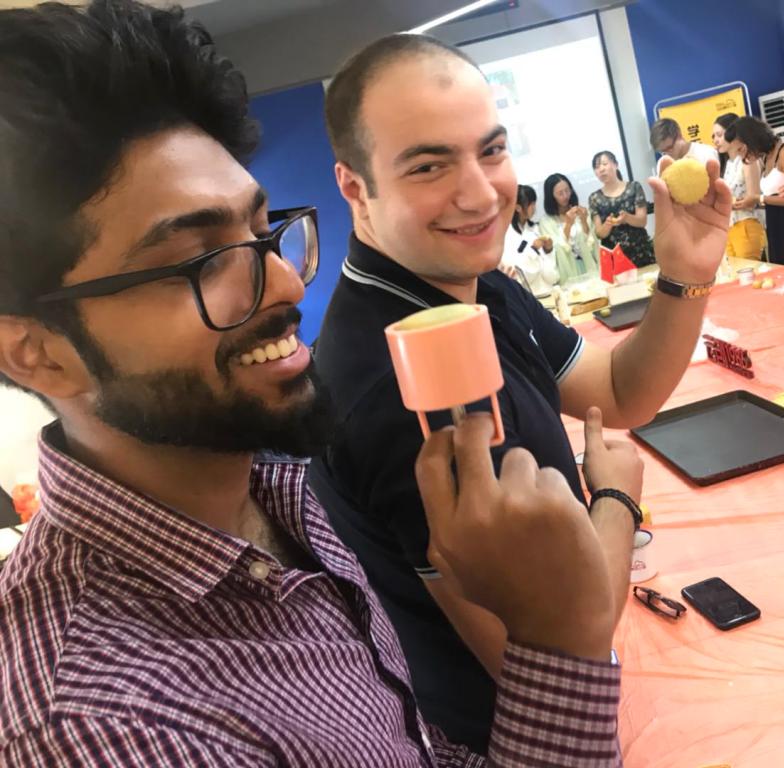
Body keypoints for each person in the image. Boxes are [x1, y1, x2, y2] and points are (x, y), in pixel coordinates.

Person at [0, 2, 642, 765]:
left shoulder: (278, 493)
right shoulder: (101, 728)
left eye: (261, 232)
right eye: (200, 261)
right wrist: (560, 633)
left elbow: (405, 744)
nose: (286, 285)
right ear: (37, 353)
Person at [315, 34, 731, 751]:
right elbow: (548, 658)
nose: (481, 194)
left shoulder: (469, 283)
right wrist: (616, 501)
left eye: (492, 150)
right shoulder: (397, 384)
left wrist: (684, 276)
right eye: (428, 166)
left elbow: (618, 392)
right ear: (355, 187)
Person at [726, 116, 784, 268]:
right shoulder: (765, 158)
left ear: (752, 139)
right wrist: (754, 201)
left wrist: (759, 199)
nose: (742, 156)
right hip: (775, 224)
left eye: (741, 149)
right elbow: (770, 198)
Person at [711, 113, 766, 260]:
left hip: (747, 223)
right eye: (713, 136)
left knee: (749, 269)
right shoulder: (728, 164)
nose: (716, 140)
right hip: (730, 225)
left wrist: (722, 204)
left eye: (720, 135)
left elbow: (753, 198)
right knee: (735, 270)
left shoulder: (748, 160)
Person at [588, 150, 655, 268]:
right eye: (597, 167)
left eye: (604, 164)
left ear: (616, 165)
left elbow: (642, 221)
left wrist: (627, 218)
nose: (601, 169)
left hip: (639, 250)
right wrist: (607, 224)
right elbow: (599, 233)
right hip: (615, 256)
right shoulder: (594, 198)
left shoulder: (634, 187)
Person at [538, 172, 599, 281]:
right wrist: (568, 225)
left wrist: (584, 221)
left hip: (589, 266)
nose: (566, 196)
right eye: (560, 193)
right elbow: (555, 250)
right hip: (567, 272)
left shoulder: (580, 211)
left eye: (567, 190)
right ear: (551, 196)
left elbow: (591, 242)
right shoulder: (546, 221)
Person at [501, 185, 558, 296]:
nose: (534, 208)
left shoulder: (535, 228)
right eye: (531, 204)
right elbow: (519, 274)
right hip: (527, 295)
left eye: (534, 203)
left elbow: (551, 275)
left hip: (548, 290)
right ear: (518, 208)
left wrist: (548, 250)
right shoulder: (506, 234)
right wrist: (533, 250)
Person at [649, 117, 720, 170]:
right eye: (663, 151)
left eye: (670, 148)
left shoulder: (706, 154)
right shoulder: (663, 164)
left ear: (679, 135)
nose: (668, 154)